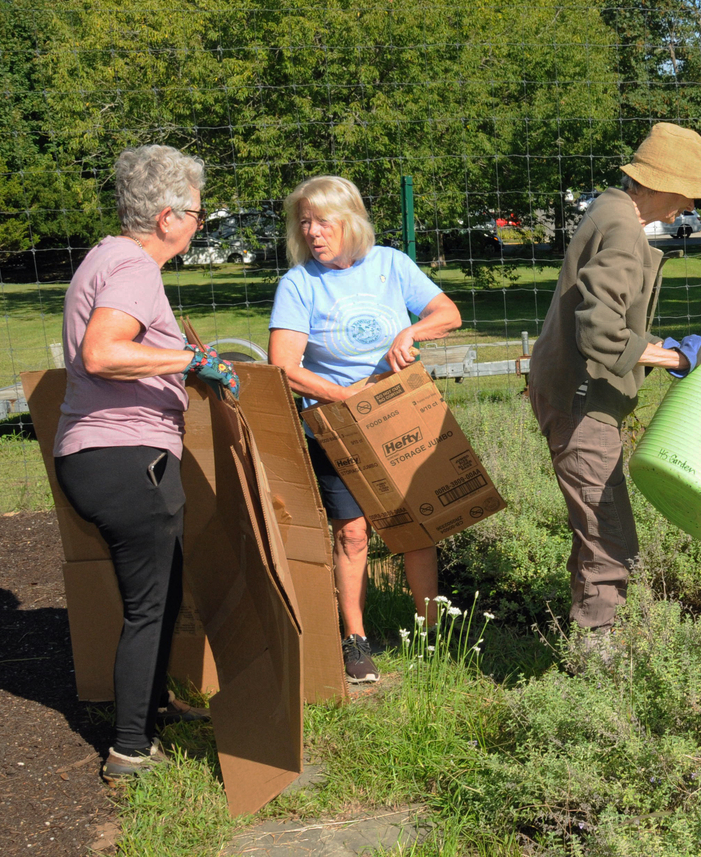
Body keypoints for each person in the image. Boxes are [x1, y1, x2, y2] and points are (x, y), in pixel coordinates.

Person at [53, 145, 238, 783]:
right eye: (196, 211)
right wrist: (188, 363)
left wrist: (178, 354)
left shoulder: (107, 258)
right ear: (166, 217)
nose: (199, 221)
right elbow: (103, 353)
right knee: (148, 606)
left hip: (105, 455)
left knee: (160, 590)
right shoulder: (135, 269)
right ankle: (131, 748)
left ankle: (152, 710)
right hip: (126, 458)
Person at [268, 176, 462, 683]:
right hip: (336, 426)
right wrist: (341, 396)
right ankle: (355, 639)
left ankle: (431, 632)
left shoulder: (392, 265)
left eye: (323, 221)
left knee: (416, 525)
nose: (313, 232)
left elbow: (448, 313)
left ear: (350, 223)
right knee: (352, 532)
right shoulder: (299, 284)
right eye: (305, 222)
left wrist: (411, 331)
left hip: (399, 411)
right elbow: (284, 366)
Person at [527, 122, 701, 639]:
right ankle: (595, 658)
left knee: (594, 524)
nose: (685, 209)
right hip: (581, 399)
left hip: (570, 389)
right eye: (684, 195)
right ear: (657, 185)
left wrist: (653, 349)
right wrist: (671, 360)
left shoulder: (609, 207)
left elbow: (602, 313)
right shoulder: (627, 229)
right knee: (609, 536)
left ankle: (587, 631)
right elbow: (599, 328)